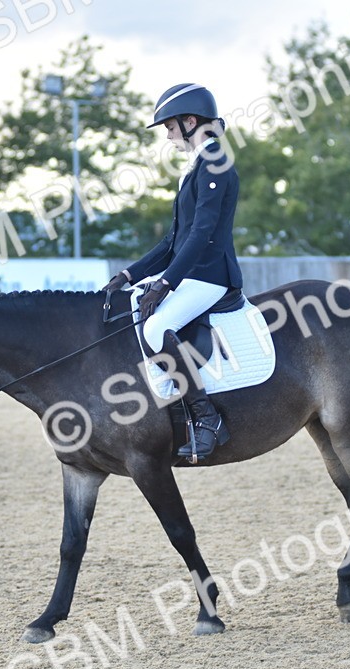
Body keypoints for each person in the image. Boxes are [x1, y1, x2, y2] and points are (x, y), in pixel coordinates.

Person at [102, 83, 243, 463]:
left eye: (169, 127)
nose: (167, 135)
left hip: (211, 276)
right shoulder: (198, 164)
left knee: (153, 328)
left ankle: (207, 419)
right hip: (192, 272)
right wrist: (130, 275)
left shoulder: (215, 160)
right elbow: (173, 240)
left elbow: (203, 233)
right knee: (133, 311)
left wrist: (165, 284)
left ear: (190, 121)